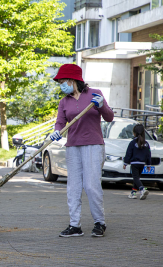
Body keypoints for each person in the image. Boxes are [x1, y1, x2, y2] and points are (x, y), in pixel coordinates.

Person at [49, 64, 114, 238]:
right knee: (73, 187)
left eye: (63, 81)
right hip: (73, 146)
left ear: (73, 80)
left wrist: (101, 106)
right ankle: (74, 225)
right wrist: (56, 131)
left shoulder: (95, 94)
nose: (61, 85)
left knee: (91, 186)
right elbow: (60, 122)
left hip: (93, 145)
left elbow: (109, 117)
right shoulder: (64, 101)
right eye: (60, 82)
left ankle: (100, 223)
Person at [123, 124, 151, 200]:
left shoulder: (132, 143)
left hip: (134, 164)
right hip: (142, 164)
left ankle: (142, 189)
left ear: (134, 133)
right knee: (137, 178)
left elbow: (128, 153)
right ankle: (133, 193)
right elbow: (148, 155)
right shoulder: (146, 144)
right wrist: (148, 165)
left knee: (135, 178)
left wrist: (125, 163)